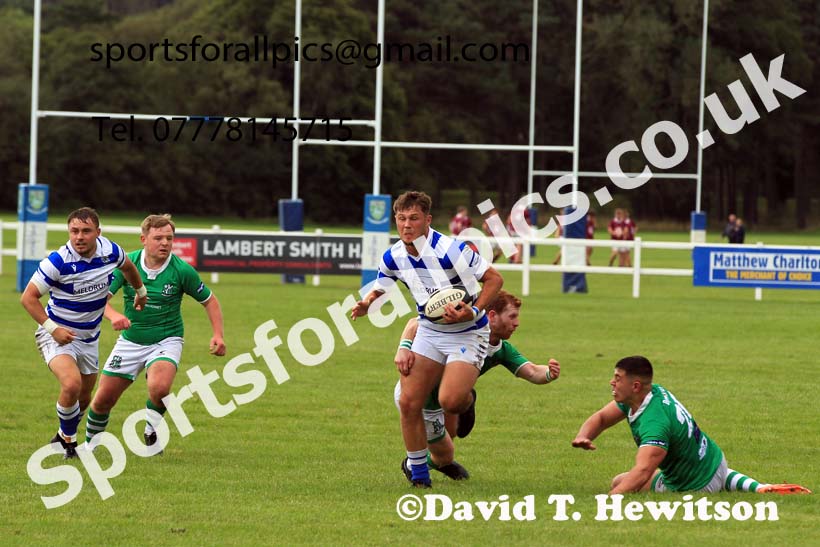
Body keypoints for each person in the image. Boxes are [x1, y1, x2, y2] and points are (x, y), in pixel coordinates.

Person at [351, 191, 503, 488]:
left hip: (469, 331)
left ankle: (466, 400)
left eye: (414, 218)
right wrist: (368, 302)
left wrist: (472, 310)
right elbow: (382, 284)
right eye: (402, 218)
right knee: (409, 402)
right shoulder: (393, 255)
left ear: (428, 220)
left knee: (450, 400)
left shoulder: (451, 249)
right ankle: (419, 476)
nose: (407, 225)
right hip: (430, 331)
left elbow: (495, 279)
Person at [84, 214, 226, 451]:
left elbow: (210, 301)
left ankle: (151, 430)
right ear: (143, 239)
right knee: (102, 400)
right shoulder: (126, 264)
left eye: (169, 238)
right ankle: (90, 448)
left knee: (159, 388)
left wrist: (218, 335)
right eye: (158, 238)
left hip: (166, 339)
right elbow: (100, 300)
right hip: (130, 340)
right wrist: (115, 316)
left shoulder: (182, 270)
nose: (165, 243)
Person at [571, 356, 811, 495]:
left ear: (634, 385)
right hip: (717, 461)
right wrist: (584, 435)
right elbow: (601, 418)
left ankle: (722, 485)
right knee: (639, 476)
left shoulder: (655, 423)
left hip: (695, 486)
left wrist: (607, 500)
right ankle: (758, 488)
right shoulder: (649, 393)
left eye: (617, 378)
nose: (612, 382)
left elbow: (642, 471)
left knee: (619, 482)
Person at [393, 291, 560, 483]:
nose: (517, 323)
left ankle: (463, 403)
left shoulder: (501, 350)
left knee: (452, 416)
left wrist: (549, 373)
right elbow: (416, 322)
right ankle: (414, 466)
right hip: (422, 401)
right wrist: (404, 348)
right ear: (491, 316)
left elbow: (531, 371)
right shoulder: (462, 328)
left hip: (443, 399)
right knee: (446, 455)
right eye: (512, 316)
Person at [20, 207, 148, 458]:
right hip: (55, 332)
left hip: (89, 338)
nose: (79, 236)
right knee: (71, 384)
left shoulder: (110, 251)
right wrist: (53, 329)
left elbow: (129, 267)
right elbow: (28, 298)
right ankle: (70, 444)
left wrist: (141, 292)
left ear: (98, 233)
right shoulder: (57, 262)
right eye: (74, 231)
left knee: (84, 397)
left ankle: (62, 435)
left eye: (86, 231)